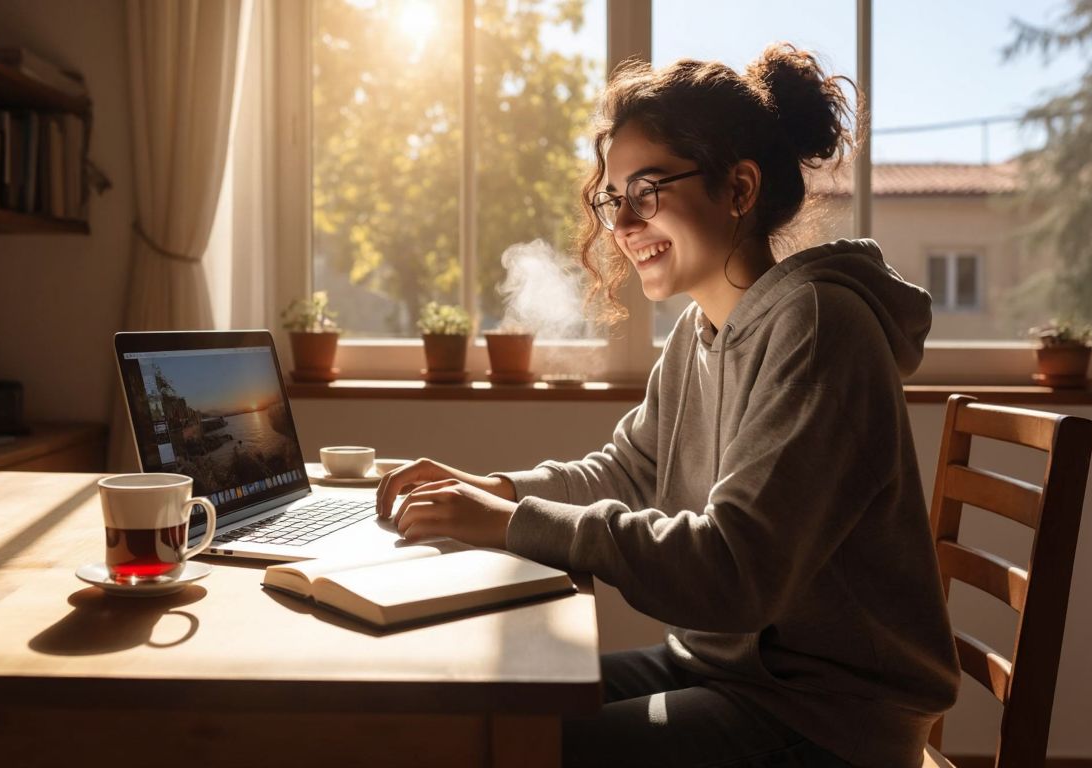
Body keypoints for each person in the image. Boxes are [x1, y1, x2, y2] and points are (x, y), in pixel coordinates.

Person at [375, 44, 959, 768]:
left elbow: (732, 571)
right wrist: (494, 491)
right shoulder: (701, 329)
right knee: (477, 710)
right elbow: (629, 469)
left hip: (827, 718)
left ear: (739, 189)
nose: (620, 225)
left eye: (646, 191)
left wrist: (515, 523)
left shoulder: (818, 328)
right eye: (612, 198)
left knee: (506, 748)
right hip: (722, 672)